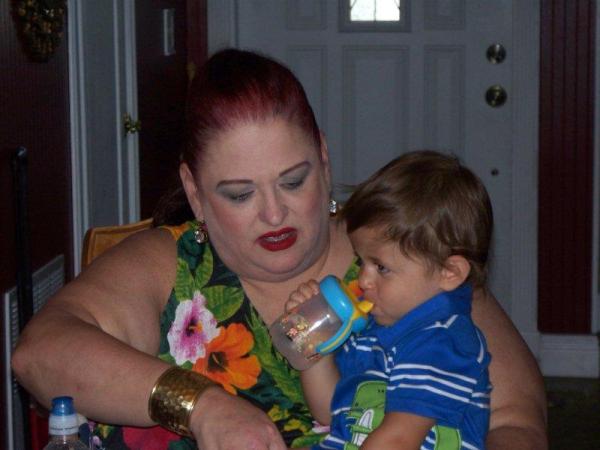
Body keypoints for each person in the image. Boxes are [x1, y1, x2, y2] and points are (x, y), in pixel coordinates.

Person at [11, 49, 547, 450]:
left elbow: (515, 422)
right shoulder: (169, 263)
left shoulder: (404, 261)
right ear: (194, 191)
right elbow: (40, 354)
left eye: (293, 181)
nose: (274, 214)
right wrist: (200, 405)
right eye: (239, 194)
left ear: (324, 161)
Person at [286, 151, 493, 449]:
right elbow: (330, 411)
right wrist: (314, 346)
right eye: (362, 261)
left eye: (381, 267)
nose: (363, 279)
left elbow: (399, 439)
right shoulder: (373, 329)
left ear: (449, 273)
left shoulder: (443, 342)